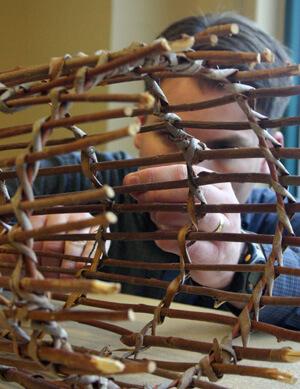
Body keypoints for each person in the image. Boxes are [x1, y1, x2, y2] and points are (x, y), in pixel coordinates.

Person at [5, 12, 300, 329]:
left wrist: (237, 263)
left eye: (227, 149)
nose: (194, 170)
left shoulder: (283, 222)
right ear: (141, 125)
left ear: (269, 154)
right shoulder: (77, 180)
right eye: (173, 137)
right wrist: (11, 245)